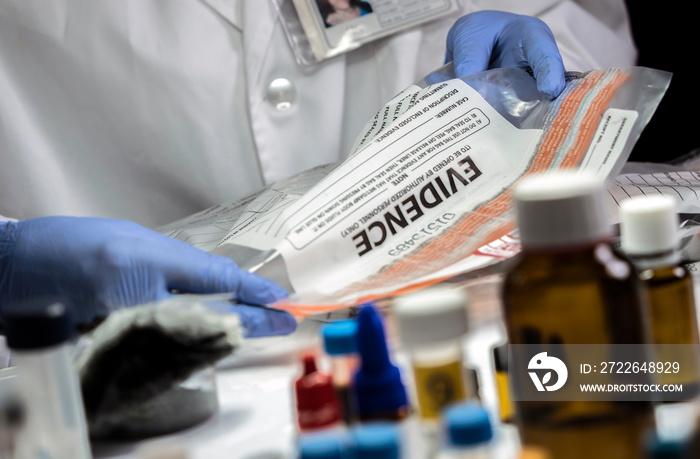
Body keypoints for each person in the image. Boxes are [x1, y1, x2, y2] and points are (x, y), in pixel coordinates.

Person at [0, 1, 637, 327]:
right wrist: (6, 261)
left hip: (467, 314)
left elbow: (572, 37)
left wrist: (539, 92)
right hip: (107, 367)